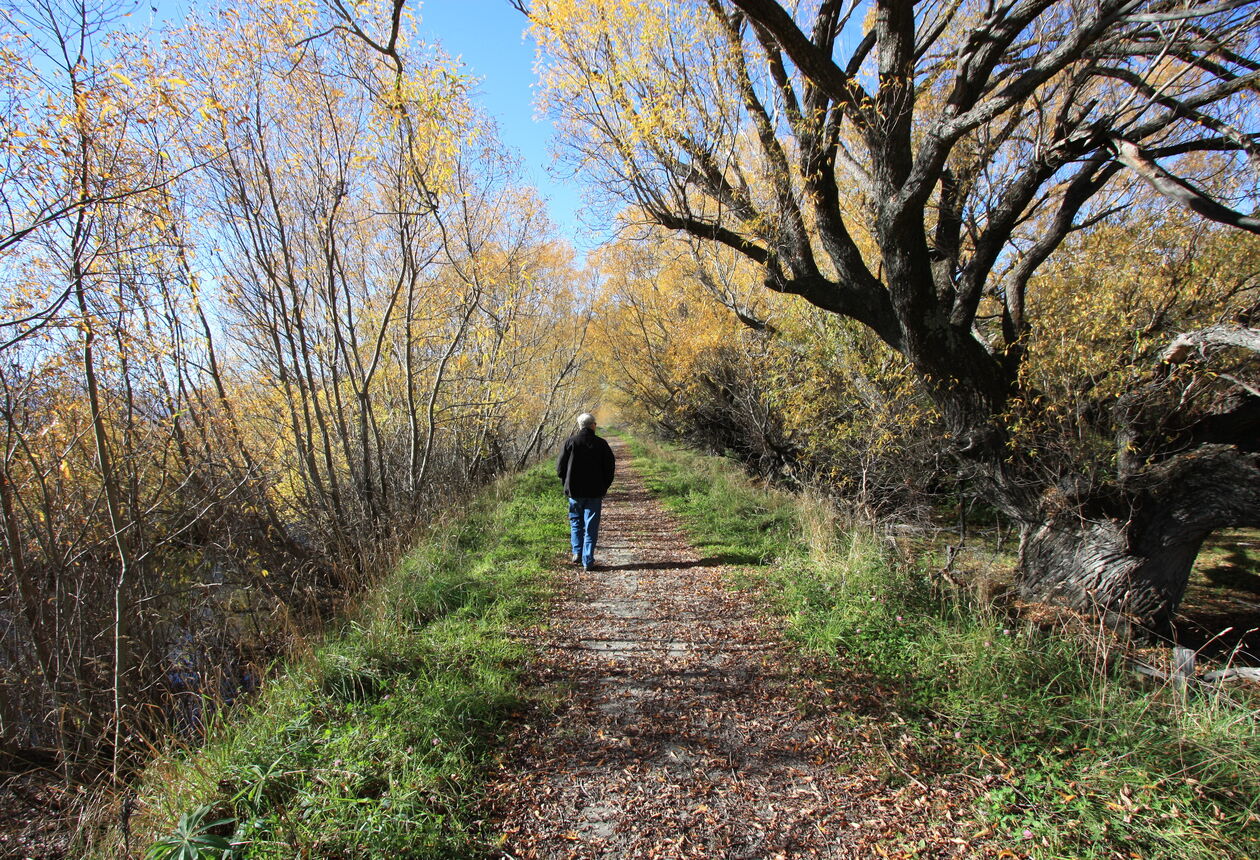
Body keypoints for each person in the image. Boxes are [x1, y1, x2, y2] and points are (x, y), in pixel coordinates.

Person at [556, 413, 616, 571]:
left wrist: (566, 483)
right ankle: (587, 560)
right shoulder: (601, 444)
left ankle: (577, 552)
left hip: (575, 492)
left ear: (579, 425)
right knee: (591, 526)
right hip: (595, 493)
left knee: (576, 522)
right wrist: (604, 486)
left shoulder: (570, 442)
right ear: (593, 425)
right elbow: (610, 468)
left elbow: (560, 468)